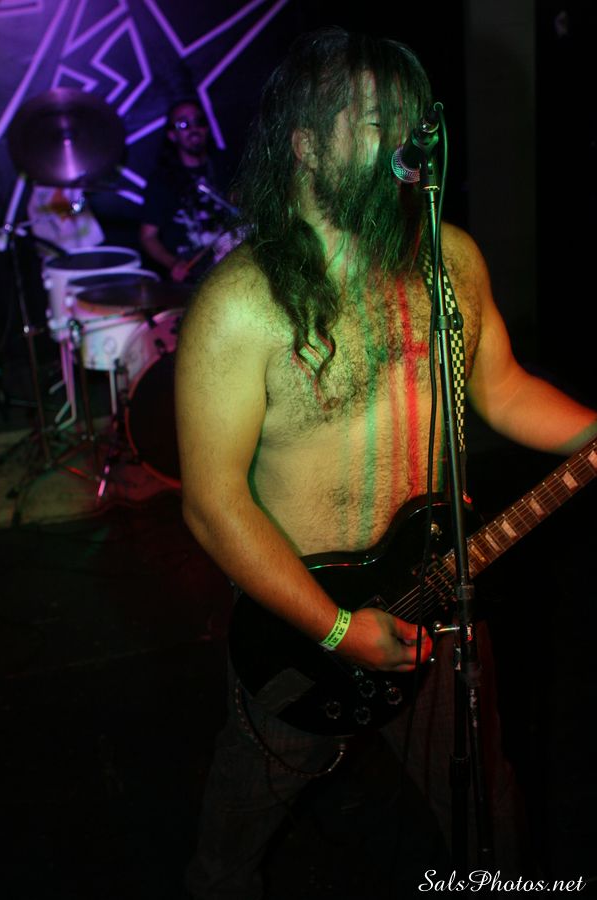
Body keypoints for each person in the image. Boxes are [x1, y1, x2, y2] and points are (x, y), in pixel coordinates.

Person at [174, 28, 597, 898]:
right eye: (373, 121)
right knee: (232, 846)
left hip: (440, 591)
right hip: (303, 628)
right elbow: (213, 505)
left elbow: (502, 389)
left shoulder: (449, 258)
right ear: (305, 144)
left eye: (409, 119)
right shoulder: (241, 304)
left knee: (486, 811)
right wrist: (337, 628)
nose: (404, 139)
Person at [139, 97, 236, 285]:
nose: (194, 128)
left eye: (199, 121)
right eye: (183, 124)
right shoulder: (162, 180)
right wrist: (173, 263)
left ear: (207, 128)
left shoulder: (225, 167)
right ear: (172, 135)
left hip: (229, 273)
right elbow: (148, 236)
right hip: (189, 280)